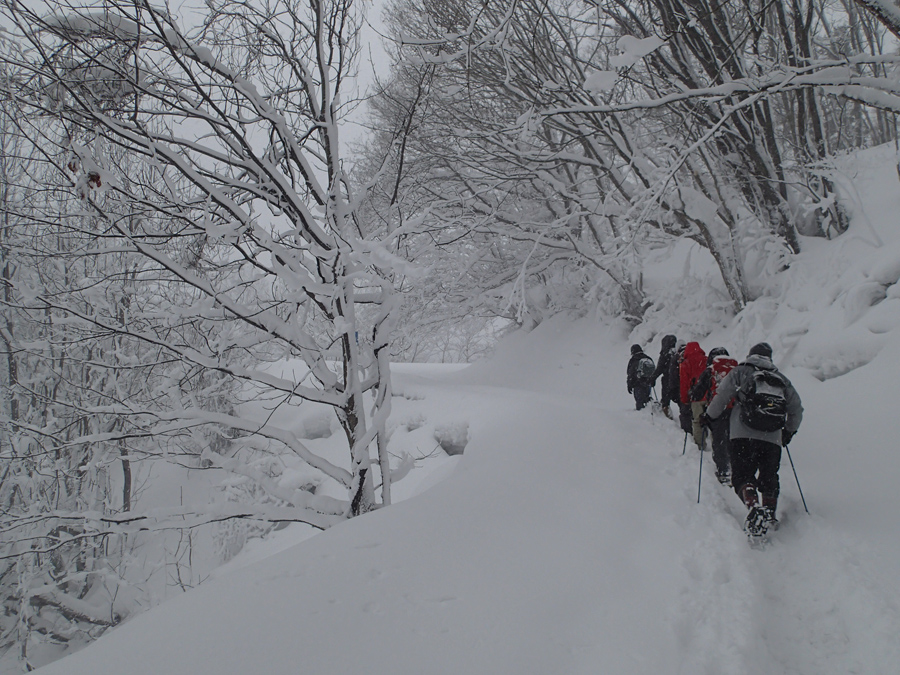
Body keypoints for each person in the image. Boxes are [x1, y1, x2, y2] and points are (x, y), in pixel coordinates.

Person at [702, 342, 803, 536]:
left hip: (742, 434)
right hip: (772, 438)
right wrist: (788, 432)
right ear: (769, 358)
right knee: (769, 476)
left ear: (751, 355)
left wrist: (709, 416)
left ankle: (753, 505)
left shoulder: (740, 372)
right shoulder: (781, 379)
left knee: (742, 475)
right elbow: (797, 410)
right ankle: (770, 514)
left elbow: (722, 396)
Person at [690, 347, 738, 484]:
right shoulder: (737, 370)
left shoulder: (711, 370)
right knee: (734, 439)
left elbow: (698, 393)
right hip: (736, 410)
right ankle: (736, 467)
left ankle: (724, 471)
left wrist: (693, 392)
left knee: (719, 440)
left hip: (718, 409)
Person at [679, 341, 707, 449]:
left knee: (697, 421)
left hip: (696, 396)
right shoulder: (707, 360)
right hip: (709, 395)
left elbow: (684, 383)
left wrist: (685, 399)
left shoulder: (685, 363)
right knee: (711, 420)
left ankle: (700, 445)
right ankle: (716, 445)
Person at [651, 334, 678, 419]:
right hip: (679, 380)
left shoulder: (665, 354)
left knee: (666, 399)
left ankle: (667, 415)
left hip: (667, 379)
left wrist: (652, 378)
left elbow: (659, 368)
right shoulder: (678, 353)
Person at [626, 344, 654, 410]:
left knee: (639, 402)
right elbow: (653, 371)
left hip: (637, 383)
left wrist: (629, 384)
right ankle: (650, 413)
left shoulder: (633, 360)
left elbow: (630, 373)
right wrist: (652, 381)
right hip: (647, 383)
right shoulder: (647, 358)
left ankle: (641, 416)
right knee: (647, 399)